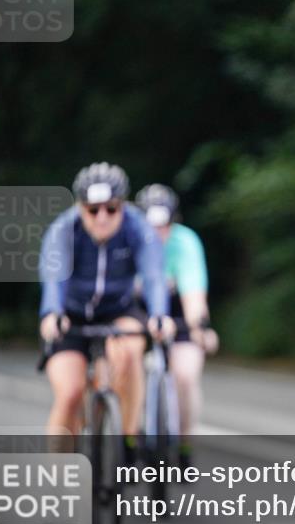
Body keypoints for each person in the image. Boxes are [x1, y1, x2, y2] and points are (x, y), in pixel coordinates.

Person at [39, 163, 173, 457]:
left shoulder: (138, 227)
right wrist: (51, 312)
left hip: (117, 310)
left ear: (122, 205)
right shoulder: (64, 229)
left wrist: (159, 314)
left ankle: (127, 436)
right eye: (93, 209)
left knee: (130, 350)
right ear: (80, 207)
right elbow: (53, 275)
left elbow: (153, 274)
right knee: (70, 393)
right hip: (71, 315)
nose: (102, 217)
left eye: (111, 209)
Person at [135, 183, 218, 466]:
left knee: (186, 375)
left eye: (164, 225)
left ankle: (184, 442)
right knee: (122, 363)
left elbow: (194, 293)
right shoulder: (129, 241)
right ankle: (128, 434)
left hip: (179, 311)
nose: (158, 233)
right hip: (136, 314)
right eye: (151, 226)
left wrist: (200, 327)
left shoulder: (185, 242)